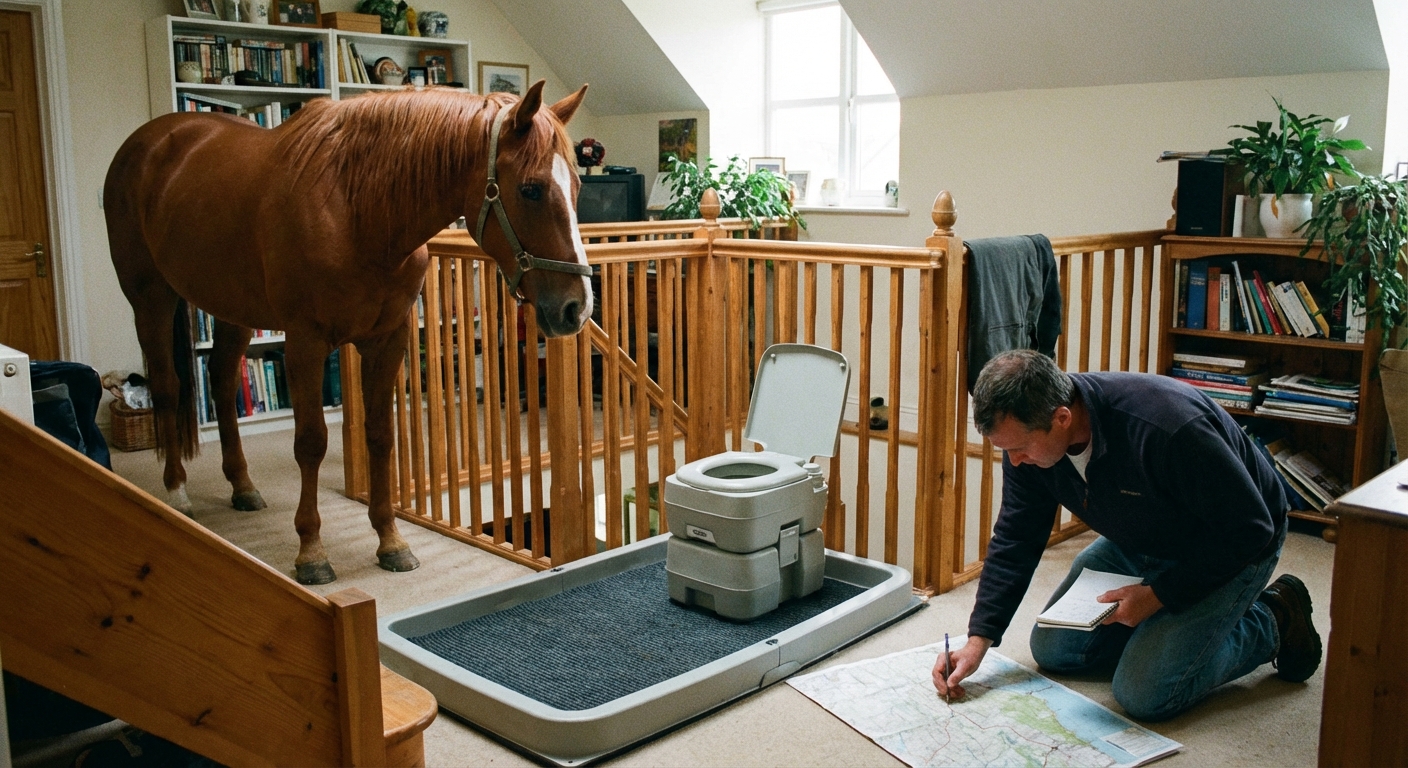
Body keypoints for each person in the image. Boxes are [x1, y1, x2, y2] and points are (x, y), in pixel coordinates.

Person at [932, 350, 1321, 721]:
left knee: (1146, 693)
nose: (1014, 460)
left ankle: (1275, 616)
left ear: (1063, 417)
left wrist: (1158, 597)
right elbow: (1016, 536)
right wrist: (978, 638)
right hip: (1141, 535)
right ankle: (1164, 636)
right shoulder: (1029, 440)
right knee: (1053, 649)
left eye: (1018, 448)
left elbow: (1249, 528)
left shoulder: (1167, 426)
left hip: (1231, 542)